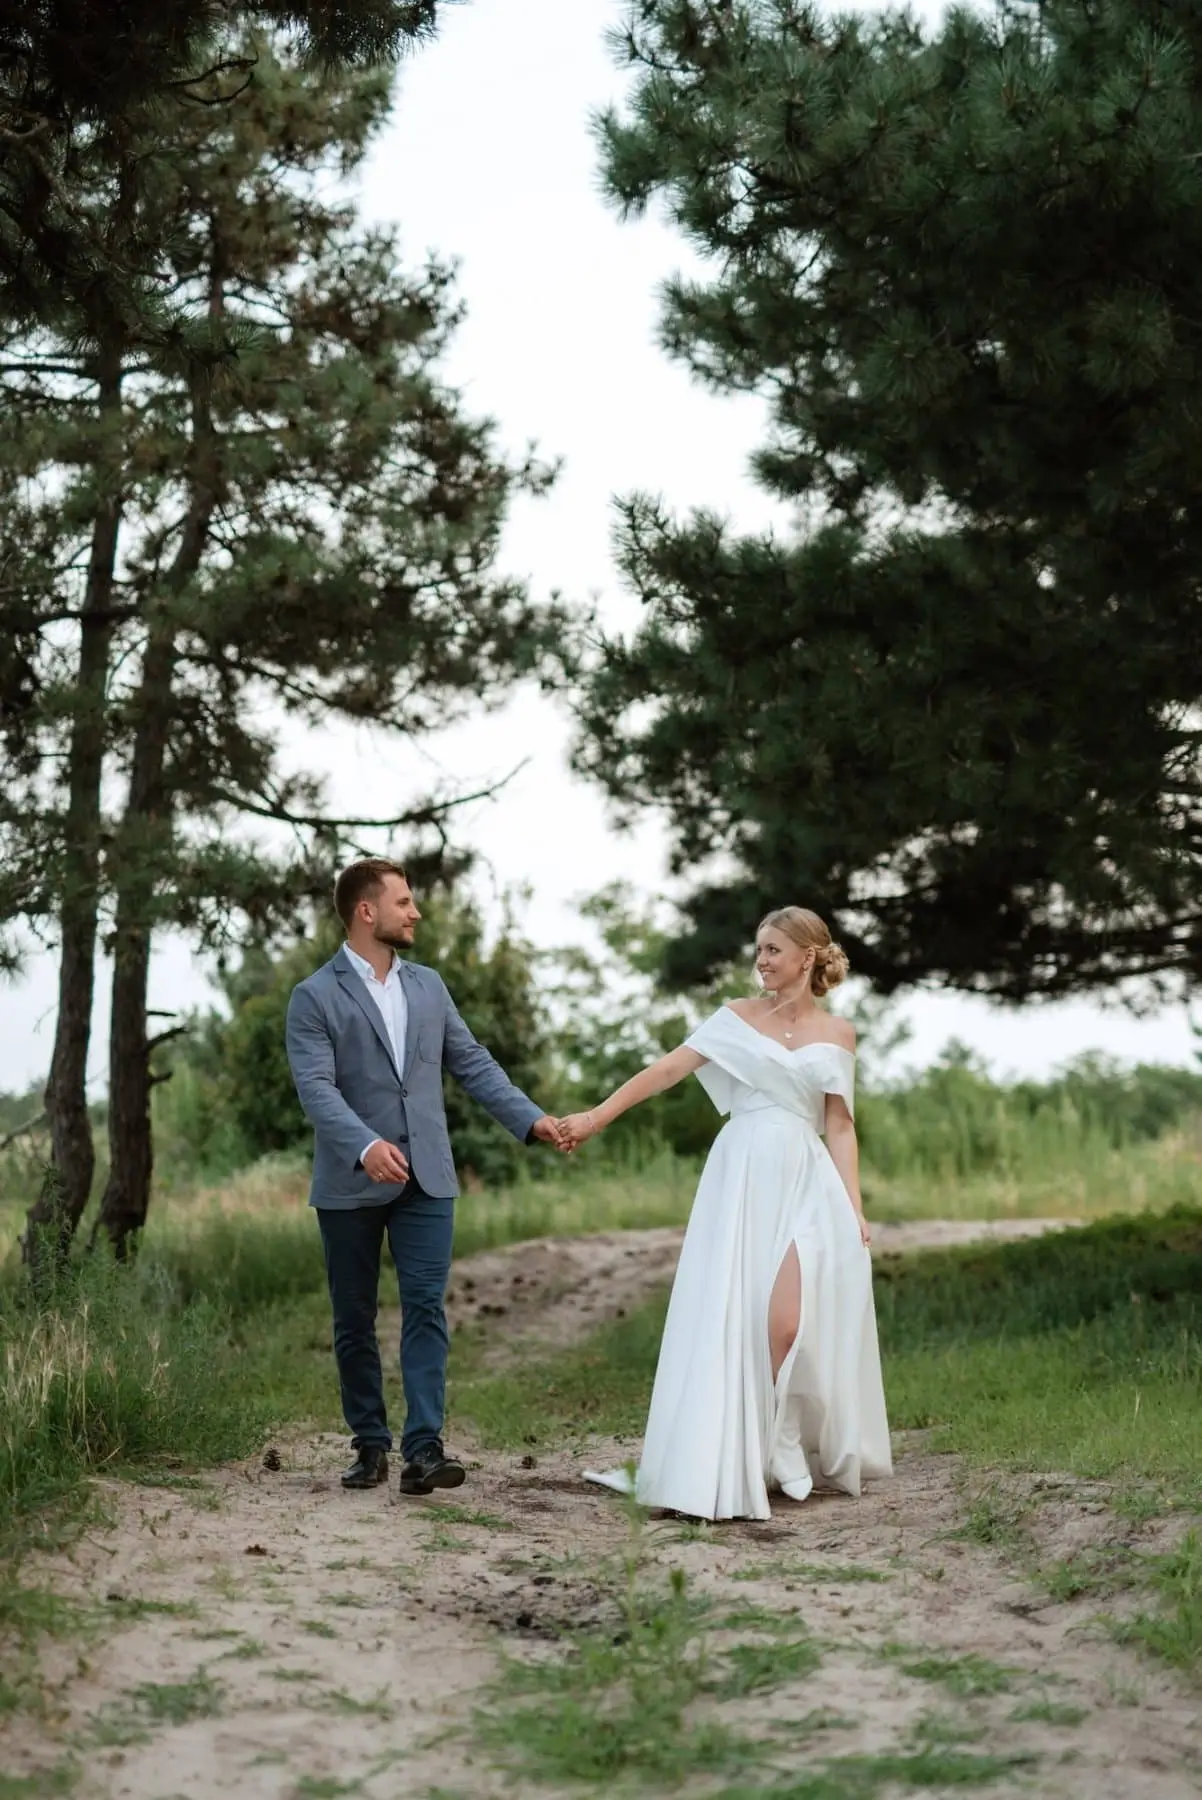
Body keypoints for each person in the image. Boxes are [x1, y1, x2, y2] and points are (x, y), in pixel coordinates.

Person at [564, 906, 892, 1522]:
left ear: (806, 956)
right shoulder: (734, 1019)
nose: (762, 960)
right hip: (740, 1171)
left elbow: (840, 1126)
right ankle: (740, 1454)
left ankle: (778, 1441)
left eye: (772, 949)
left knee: (788, 1324)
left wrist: (854, 1207)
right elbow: (665, 1072)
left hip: (805, 1175)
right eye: (758, 949)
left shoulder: (839, 1033)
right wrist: (595, 1117)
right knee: (733, 1310)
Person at [285, 858, 568, 1496]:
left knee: (425, 1308)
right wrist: (364, 1146)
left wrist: (531, 1120)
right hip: (350, 1183)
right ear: (367, 911)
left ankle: (424, 1448)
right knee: (353, 1317)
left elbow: (472, 1062)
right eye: (404, 902)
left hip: (427, 1179)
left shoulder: (429, 986)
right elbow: (316, 1090)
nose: (415, 913)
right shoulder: (314, 996)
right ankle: (369, 1443)